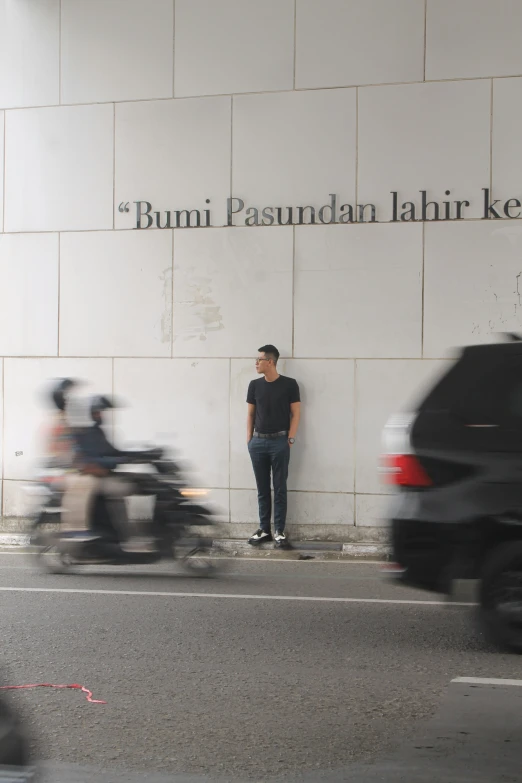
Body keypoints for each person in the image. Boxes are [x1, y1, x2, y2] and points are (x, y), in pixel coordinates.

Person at [62, 395, 157, 551]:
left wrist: (141, 454)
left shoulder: (96, 432)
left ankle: (145, 530)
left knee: (146, 482)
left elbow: (111, 452)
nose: (101, 415)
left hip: (104, 474)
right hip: (94, 477)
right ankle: (131, 534)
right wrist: (120, 460)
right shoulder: (83, 434)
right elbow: (93, 459)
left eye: (101, 412)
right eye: (97, 412)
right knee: (126, 488)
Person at [246, 345, 301, 548]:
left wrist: (291, 438)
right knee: (262, 489)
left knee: (279, 488)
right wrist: (249, 439)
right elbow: (250, 414)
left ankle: (279, 531)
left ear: (270, 361)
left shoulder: (289, 384)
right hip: (258, 442)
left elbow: (296, 413)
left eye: (259, 359)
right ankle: (264, 530)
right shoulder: (254, 385)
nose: (256, 363)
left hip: (280, 441)